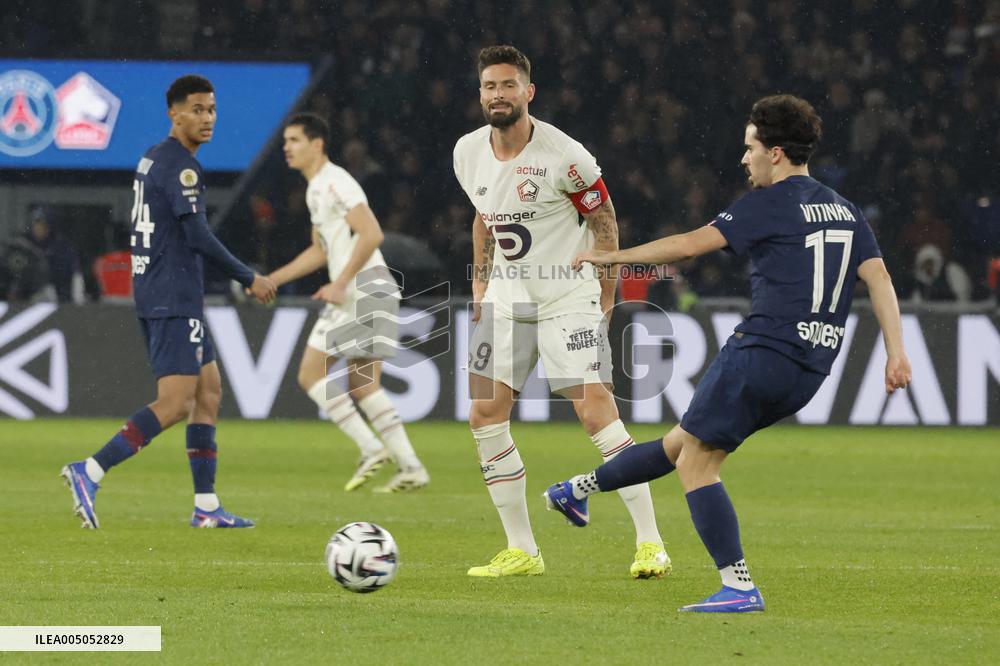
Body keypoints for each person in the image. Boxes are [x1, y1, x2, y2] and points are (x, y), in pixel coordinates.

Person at [545, 94, 912, 611]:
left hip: (762, 350)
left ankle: (739, 586)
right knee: (680, 444)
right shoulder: (846, 210)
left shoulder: (768, 203)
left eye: (750, 148)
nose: (744, 159)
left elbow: (691, 244)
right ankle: (575, 490)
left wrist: (611, 257)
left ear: (776, 152)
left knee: (697, 463)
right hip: (809, 369)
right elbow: (879, 277)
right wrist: (897, 353)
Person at [453, 45, 669, 579]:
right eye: (489, 86)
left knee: (596, 412)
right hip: (506, 300)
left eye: (508, 85)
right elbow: (484, 217)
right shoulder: (467, 151)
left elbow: (606, 223)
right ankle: (522, 550)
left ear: (529, 92)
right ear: (480, 94)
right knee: (484, 415)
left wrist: (608, 293)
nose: (498, 95)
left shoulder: (566, 156)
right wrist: (481, 283)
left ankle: (651, 543)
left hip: (565, 296)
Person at [61, 75, 277, 529]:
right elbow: (196, 235)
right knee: (176, 402)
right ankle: (91, 469)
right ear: (174, 114)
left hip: (167, 291)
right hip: (172, 295)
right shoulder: (181, 166)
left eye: (212, 110)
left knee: (208, 390)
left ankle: (207, 506)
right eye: (197, 110)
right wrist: (248, 277)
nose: (207, 118)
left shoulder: (152, 158)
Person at [268, 112, 430, 492]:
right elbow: (318, 250)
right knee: (363, 384)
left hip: (361, 288)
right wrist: (273, 278)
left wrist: (340, 284)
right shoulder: (314, 190)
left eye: (293, 140)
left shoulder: (336, 182)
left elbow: (371, 233)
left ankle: (371, 448)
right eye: (285, 142)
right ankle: (411, 467)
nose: (286, 148)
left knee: (310, 373)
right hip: (374, 288)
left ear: (317, 143)